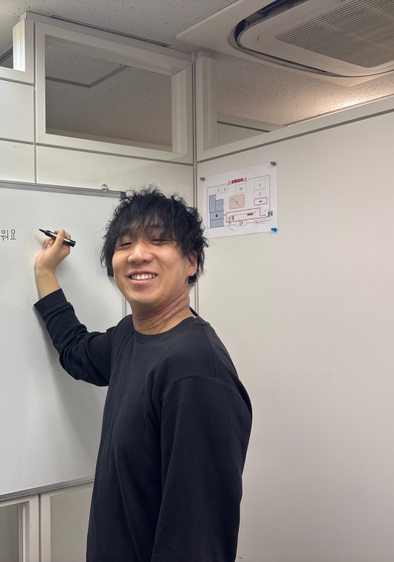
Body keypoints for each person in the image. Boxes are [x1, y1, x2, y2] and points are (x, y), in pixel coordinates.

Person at [33, 187, 252, 562]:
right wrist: (44, 271)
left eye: (159, 240)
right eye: (124, 244)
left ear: (191, 262)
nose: (137, 254)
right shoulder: (131, 335)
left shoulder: (194, 371)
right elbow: (76, 352)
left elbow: (197, 540)